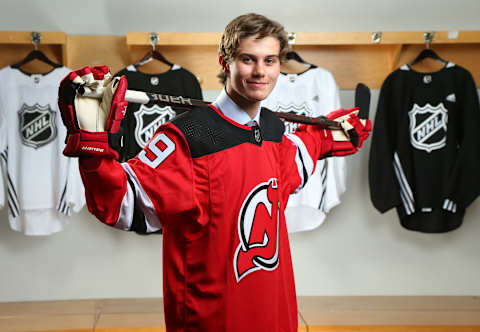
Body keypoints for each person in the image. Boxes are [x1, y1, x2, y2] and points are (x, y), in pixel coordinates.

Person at [58, 13, 371, 332]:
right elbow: (121, 202)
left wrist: (329, 135)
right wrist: (92, 146)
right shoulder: (187, 137)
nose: (261, 71)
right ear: (226, 62)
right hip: (212, 318)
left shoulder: (272, 128)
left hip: (275, 313)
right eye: (248, 59)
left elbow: (292, 161)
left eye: (270, 60)